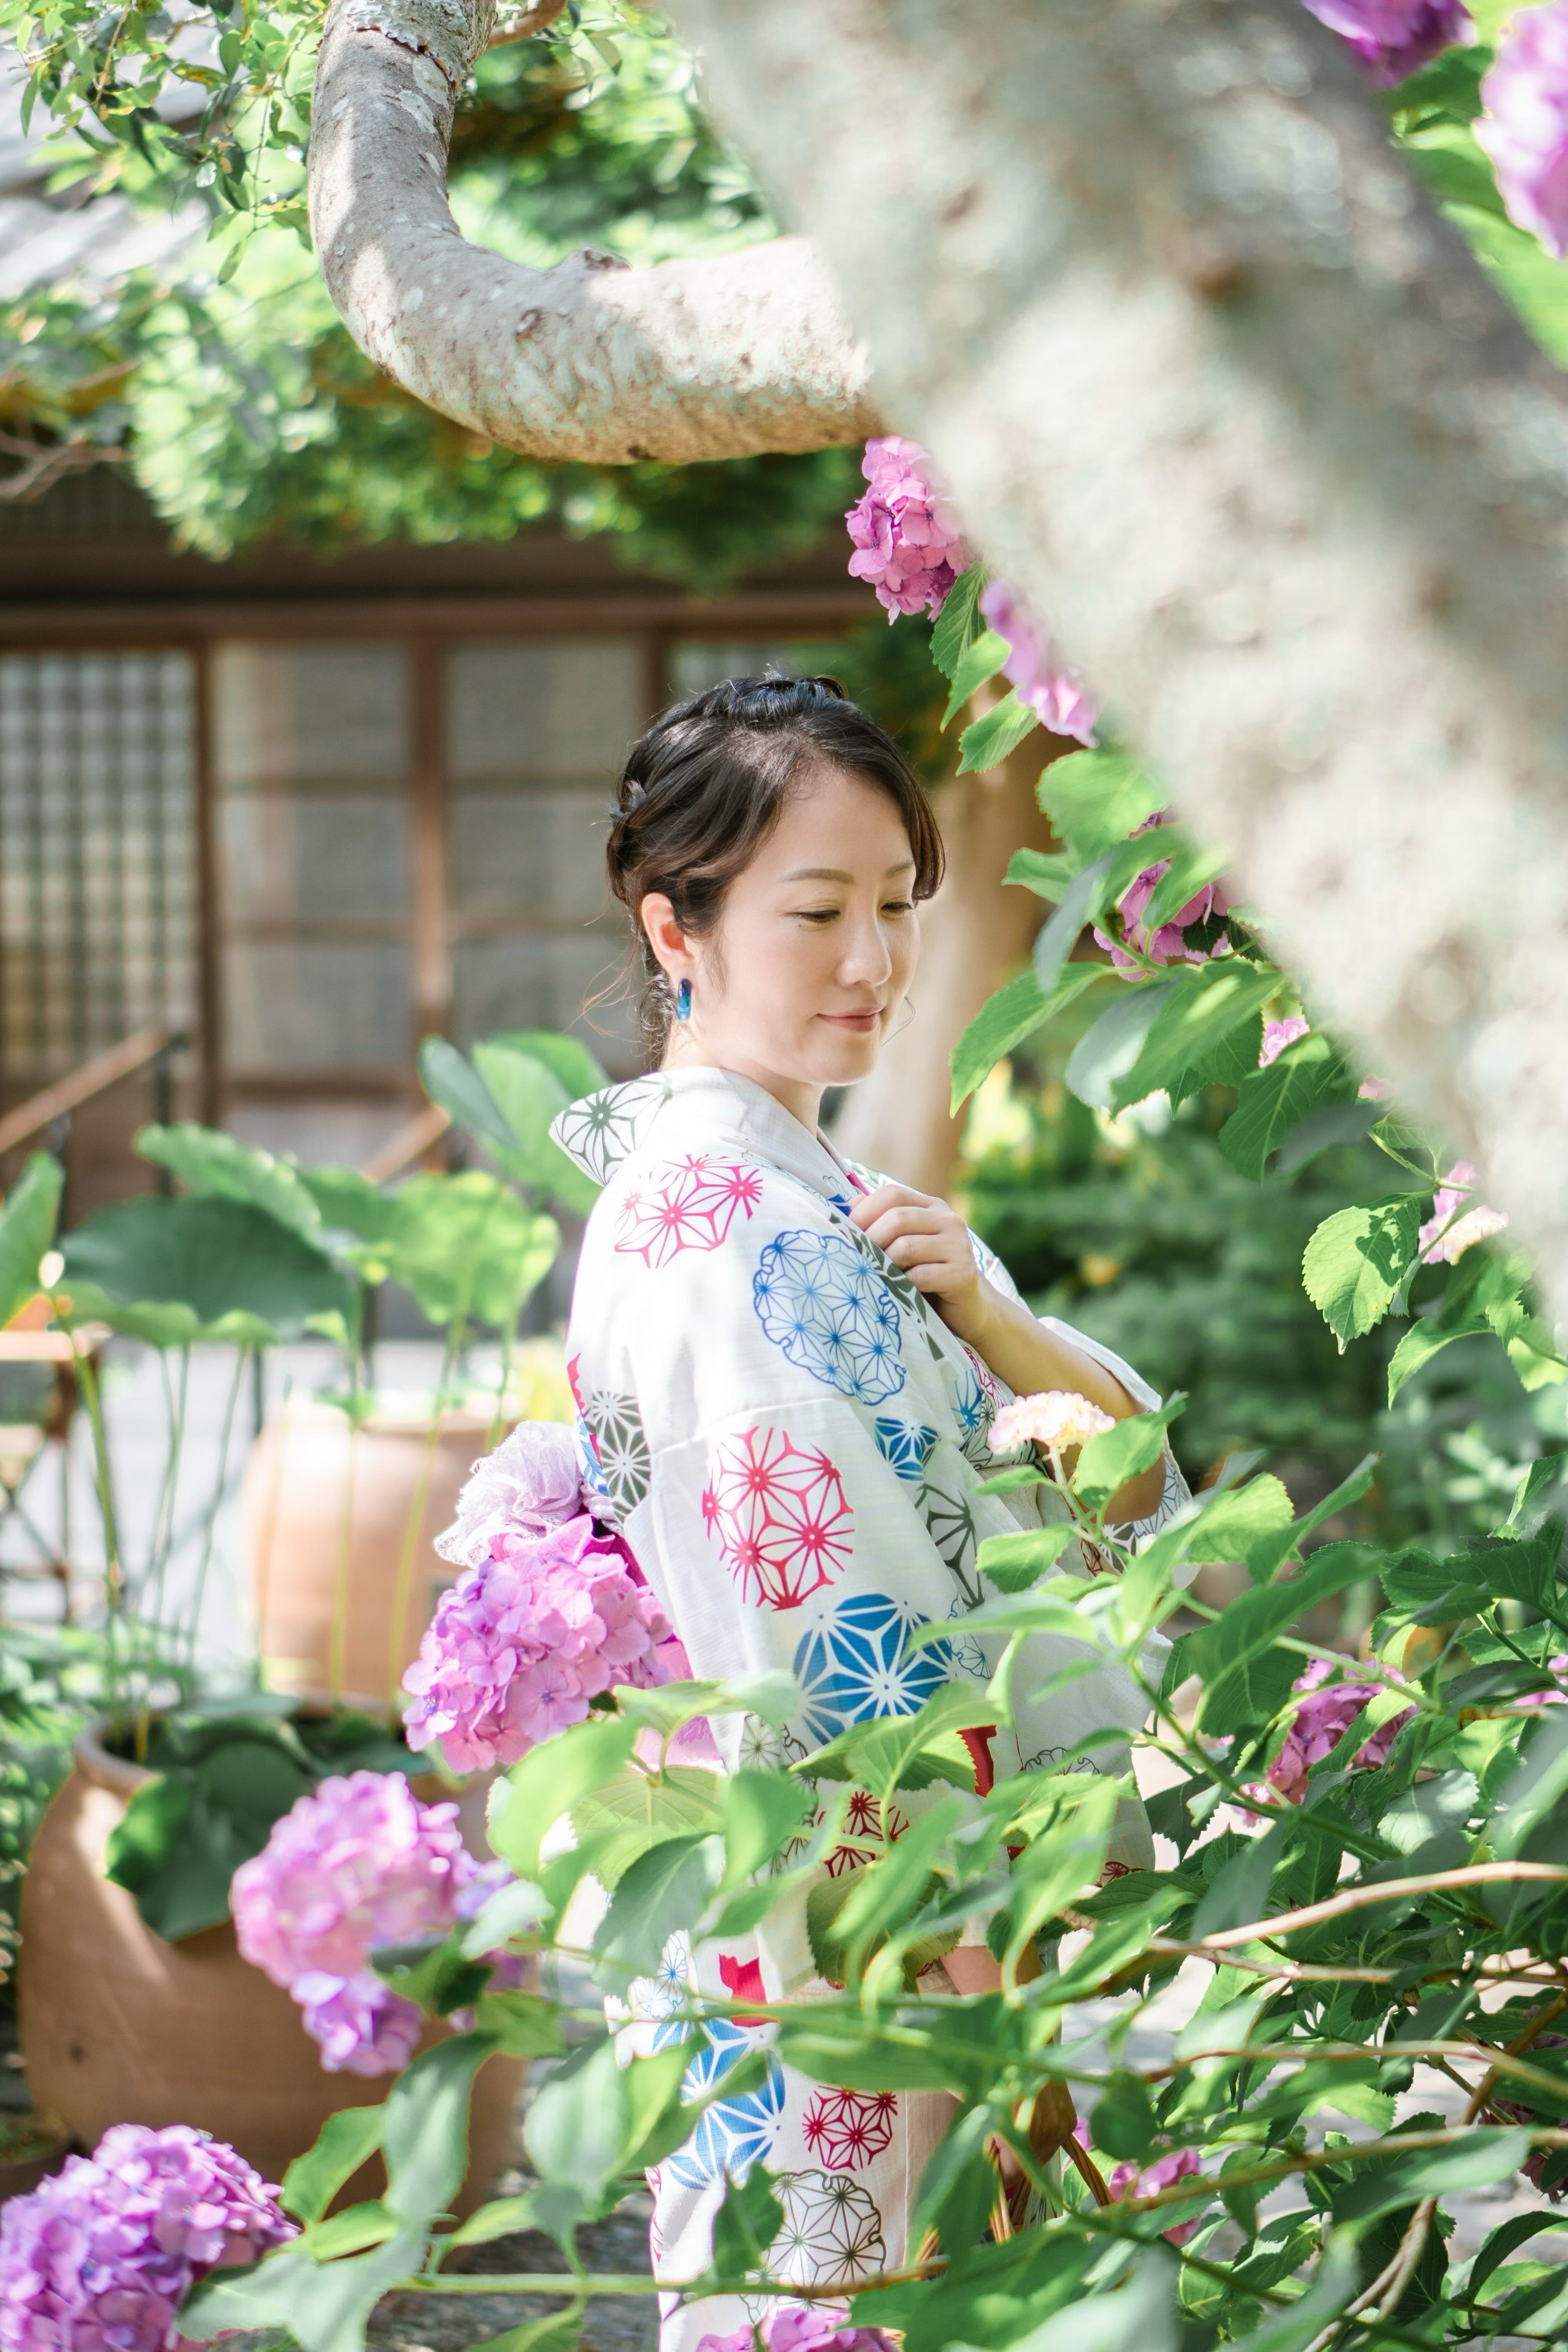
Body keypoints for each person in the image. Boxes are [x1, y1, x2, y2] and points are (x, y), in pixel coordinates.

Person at [547, 675, 1186, 2348]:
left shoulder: (839, 1206)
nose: (875, 964)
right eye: (816, 911)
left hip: (930, 1913)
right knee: (857, 2298)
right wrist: (969, 1961)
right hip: (871, 1937)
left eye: (898, 907)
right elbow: (837, 1661)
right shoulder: (710, 1228)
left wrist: (993, 1317)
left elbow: (1138, 1484)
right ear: (674, 926)